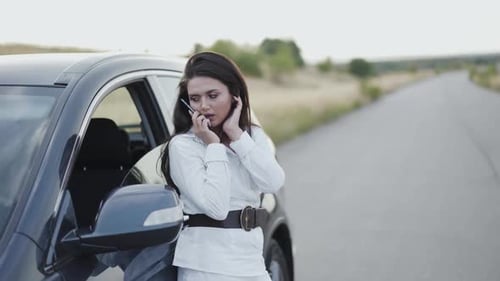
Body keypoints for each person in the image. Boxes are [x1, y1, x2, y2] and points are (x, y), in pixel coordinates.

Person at [161, 51, 285, 281]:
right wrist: (213, 146)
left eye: (213, 95)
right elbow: (216, 208)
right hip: (207, 267)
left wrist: (236, 135)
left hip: (251, 262)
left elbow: (273, 181)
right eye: (195, 99)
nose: (204, 106)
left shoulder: (249, 136)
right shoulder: (183, 146)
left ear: (234, 96)